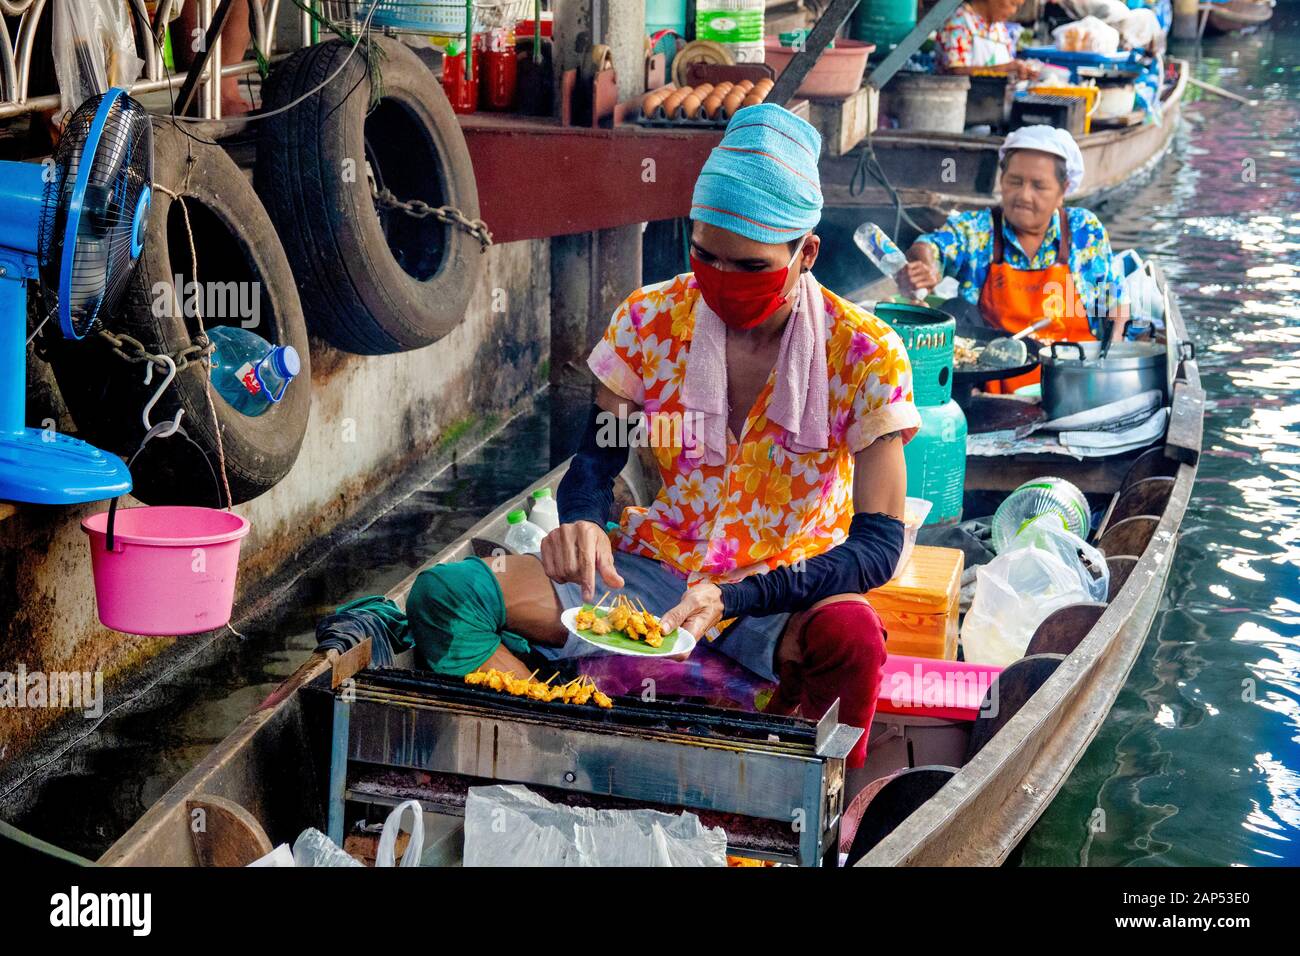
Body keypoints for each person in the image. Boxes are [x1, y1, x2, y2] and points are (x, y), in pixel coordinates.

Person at [399, 104, 921, 770]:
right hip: (651, 574)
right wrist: (583, 521)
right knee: (446, 595)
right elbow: (596, 460)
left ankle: (816, 801)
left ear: (806, 254)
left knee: (854, 636)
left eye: (749, 266)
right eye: (705, 257)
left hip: (781, 589)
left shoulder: (865, 353)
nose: (721, 282)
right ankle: (558, 737)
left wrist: (735, 596)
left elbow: (877, 546)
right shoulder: (650, 321)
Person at [898, 125, 1128, 391]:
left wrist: (1112, 360)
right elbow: (929, 246)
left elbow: (1113, 302)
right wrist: (923, 268)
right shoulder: (978, 229)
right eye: (1014, 181)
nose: (1023, 195)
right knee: (955, 309)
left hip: (1072, 382)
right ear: (1002, 180)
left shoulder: (1084, 231)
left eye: (1039, 186)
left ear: (1062, 191)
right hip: (992, 383)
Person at [935, 0, 1042, 80]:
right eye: (1012, 4)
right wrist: (1005, 69)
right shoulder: (957, 24)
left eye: (1018, 7)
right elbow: (956, 72)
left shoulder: (999, 28)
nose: (1013, 11)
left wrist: (1021, 71)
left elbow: (1008, 65)